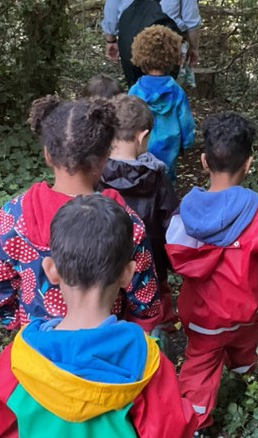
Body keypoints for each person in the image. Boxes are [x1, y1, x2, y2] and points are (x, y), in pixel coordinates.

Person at [0, 195, 198, 437]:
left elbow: (0, 424)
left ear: (51, 270)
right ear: (128, 275)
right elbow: (171, 430)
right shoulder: (147, 362)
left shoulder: (17, 359)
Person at [165, 112, 258, 430]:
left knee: (199, 365)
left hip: (201, 318)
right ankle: (246, 374)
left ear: (203, 161)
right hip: (246, 312)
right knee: (243, 346)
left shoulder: (184, 216)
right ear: (249, 164)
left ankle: (195, 421)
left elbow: (175, 255)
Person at [0, 96, 161, 333]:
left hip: (37, 351)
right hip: (106, 350)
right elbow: (144, 298)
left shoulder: (13, 217)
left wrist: (22, 327)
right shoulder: (125, 222)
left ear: (47, 154)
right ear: (104, 158)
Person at [98, 94, 179, 328]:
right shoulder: (156, 177)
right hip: (152, 264)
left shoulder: (95, 173)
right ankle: (155, 335)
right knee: (155, 305)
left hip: (104, 266)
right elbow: (171, 224)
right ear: (142, 136)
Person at [128, 25, 195, 183]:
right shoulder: (177, 92)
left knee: (142, 186)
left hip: (140, 148)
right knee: (166, 186)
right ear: (172, 56)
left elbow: (126, 122)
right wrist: (186, 144)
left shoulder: (135, 91)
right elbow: (186, 124)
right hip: (168, 149)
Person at [102, 0, 201, 86]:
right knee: (169, 89)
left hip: (131, 39)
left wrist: (111, 39)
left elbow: (112, 9)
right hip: (168, 43)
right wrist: (193, 48)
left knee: (135, 89)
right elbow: (191, 20)